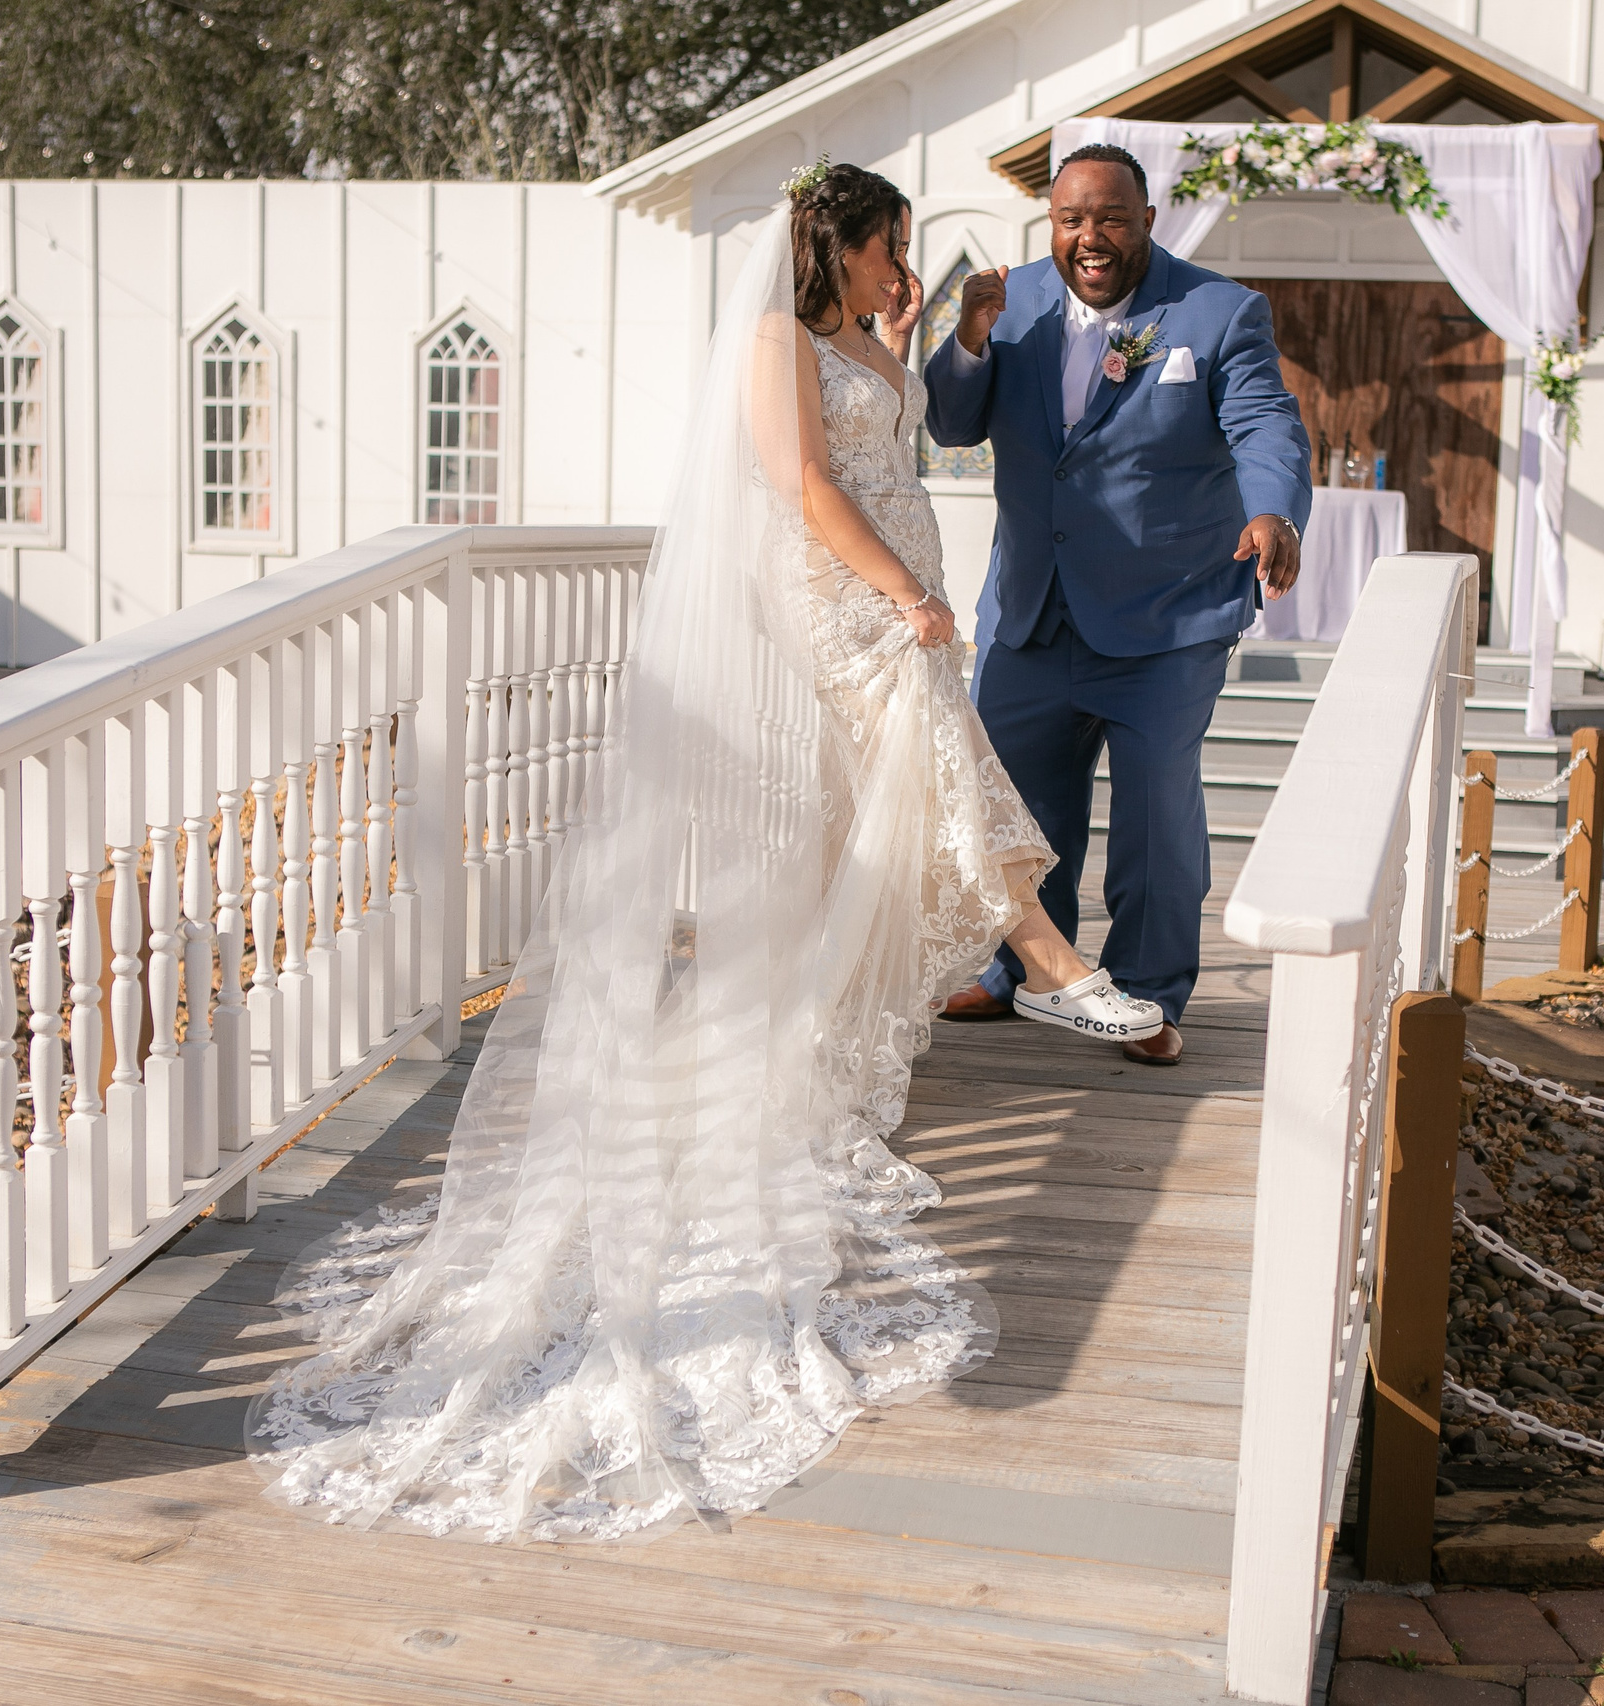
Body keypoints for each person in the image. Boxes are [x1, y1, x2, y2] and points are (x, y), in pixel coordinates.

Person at [246, 161, 1156, 1545]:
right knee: (926, 738)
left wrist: (905, 341)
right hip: (837, 599)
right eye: (885, 246)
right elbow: (798, 482)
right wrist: (903, 586)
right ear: (836, 245)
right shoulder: (772, 341)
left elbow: (899, 444)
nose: (896, 261)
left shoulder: (861, 334)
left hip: (898, 599)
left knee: (888, 809)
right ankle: (1043, 949)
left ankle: (923, 985)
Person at [925, 142, 1313, 1067]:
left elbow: (1265, 422)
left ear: (1146, 220)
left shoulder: (1219, 311)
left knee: (1153, 817)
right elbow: (948, 423)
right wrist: (968, 341)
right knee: (1015, 813)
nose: (1089, 237)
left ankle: (1148, 996)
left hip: (1169, 617)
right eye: (1071, 220)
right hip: (1031, 612)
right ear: (1050, 226)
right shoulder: (1006, 299)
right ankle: (1025, 973)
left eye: (1110, 218)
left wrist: (1271, 511)